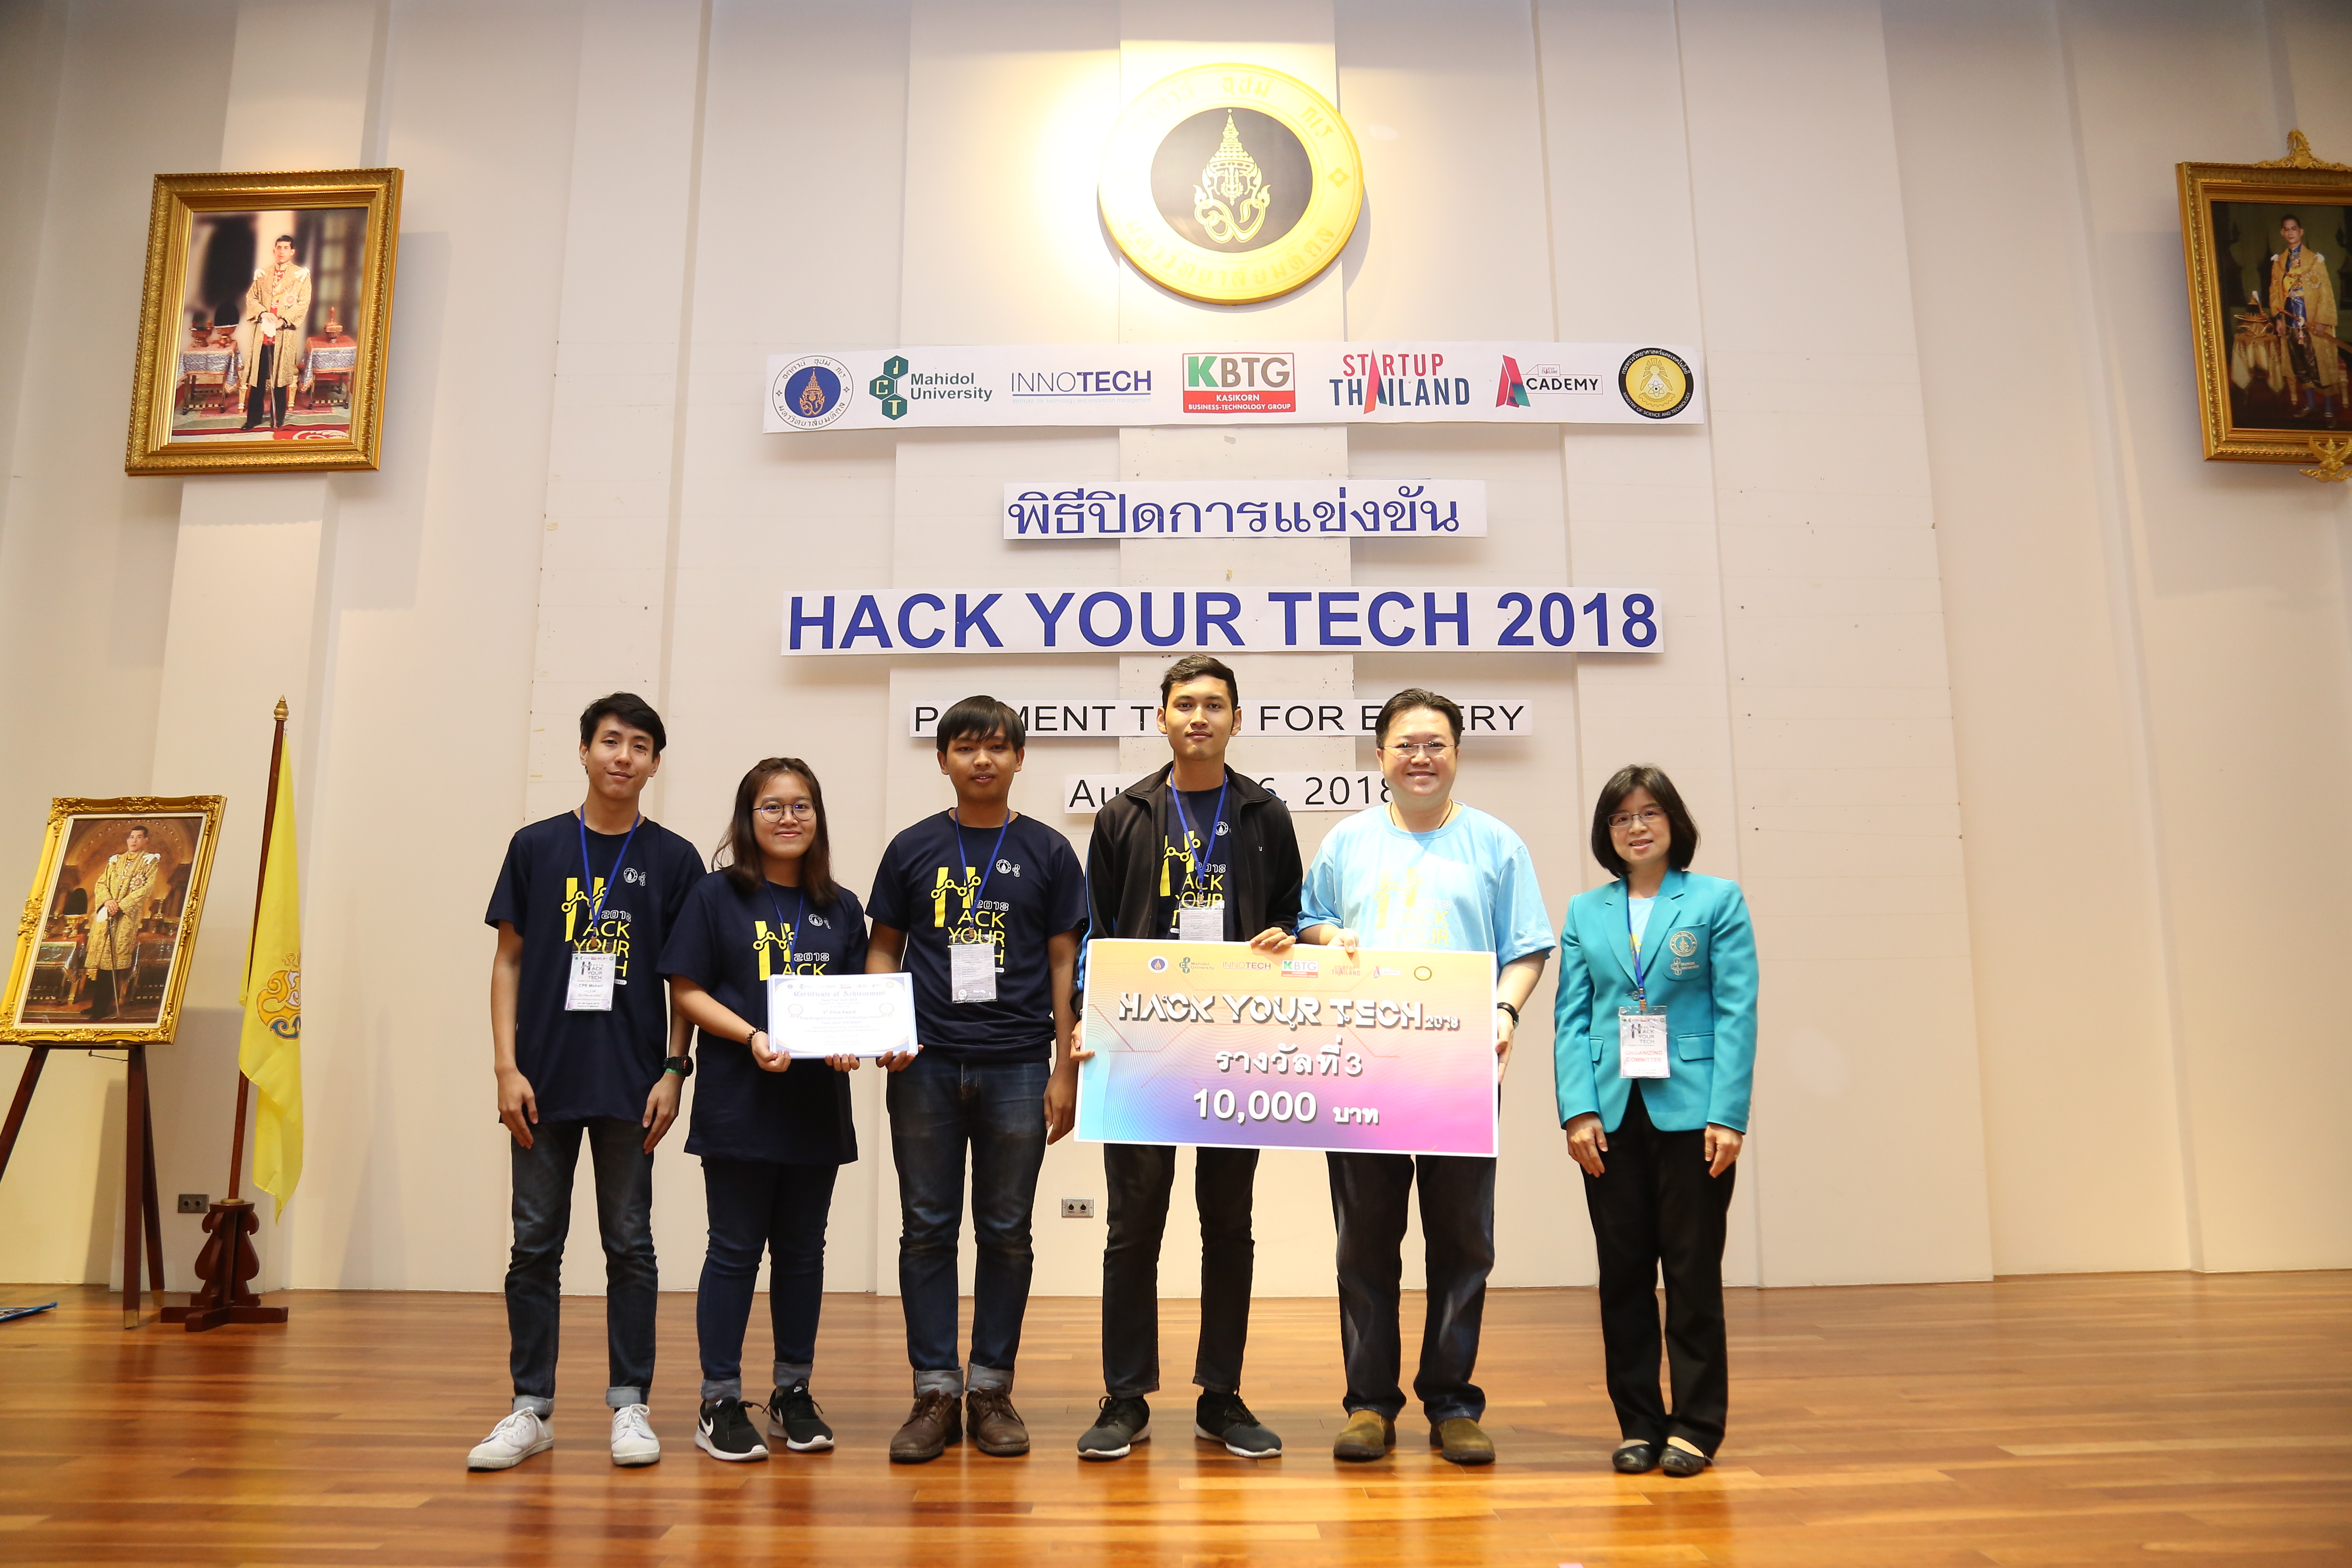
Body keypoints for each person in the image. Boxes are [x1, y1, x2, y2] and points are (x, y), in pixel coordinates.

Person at [1261, 688, 1553, 1467]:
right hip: (1362, 1071)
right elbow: (1308, 920)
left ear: (1456, 753)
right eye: (1405, 744)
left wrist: (1505, 1010)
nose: (1420, 757)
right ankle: (1368, 1404)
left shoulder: (1495, 844)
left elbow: (1528, 945)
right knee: (1364, 1241)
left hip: (1460, 1069)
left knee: (1463, 1240)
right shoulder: (1348, 840)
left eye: (1435, 744)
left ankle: (1453, 1402)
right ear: (1380, 755)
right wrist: (1330, 936)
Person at [1070, 654, 1301, 1462]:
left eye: (1214, 704)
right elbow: (1095, 933)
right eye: (1184, 704)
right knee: (1133, 1224)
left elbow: (1292, 916)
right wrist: (1085, 1014)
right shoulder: (1123, 815)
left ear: (1237, 718)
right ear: (1161, 716)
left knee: (1228, 1223)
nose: (1198, 717)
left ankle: (1221, 1394)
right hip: (1140, 1048)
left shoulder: (1266, 814)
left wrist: (1286, 938)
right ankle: (1125, 1395)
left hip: (1235, 1049)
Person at [467, 694, 706, 1472]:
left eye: (639, 745)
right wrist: (505, 1066)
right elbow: (507, 960)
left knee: (630, 1244)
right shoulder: (535, 846)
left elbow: (684, 981)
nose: (622, 756)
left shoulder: (674, 859)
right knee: (534, 1243)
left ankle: (630, 1404)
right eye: (610, 741)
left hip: (631, 1083)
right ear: (583, 750)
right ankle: (530, 1408)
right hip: (540, 1079)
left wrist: (674, 1070)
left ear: (655, 764)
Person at [866, 696, 1088, 1464]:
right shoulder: (912, 847)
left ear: (1020, 757)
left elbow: (1064, 961)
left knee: (1006, 1231)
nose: (982, 759)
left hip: (1019, 1063)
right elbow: (883, 948)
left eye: (996, 747)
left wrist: (1064, 1067)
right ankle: (935, 1391)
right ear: (943, 760)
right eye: (966, 747)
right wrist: (888, 1027)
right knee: (926, 1228)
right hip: (924, 1064)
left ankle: (991, 1389)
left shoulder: (1049, 850)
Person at [1553, 765, 1756, 1478]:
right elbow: (1571, 1017)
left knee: (1693, 1273)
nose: (1636, 827)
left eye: (1649, 813)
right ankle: (1638, 1422)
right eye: (1621, 817)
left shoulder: (1715, 899)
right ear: (1605, 832)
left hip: (1694, 1110)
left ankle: (1696, 1426)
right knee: (1623, 1276)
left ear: (1673, 821)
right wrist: (1577, 1110)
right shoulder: (1586, 910)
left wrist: (1728, 1113)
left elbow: (1737, 1009)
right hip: (1610, 1114)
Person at [660, 758, 866, 1463]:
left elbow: (854, 1002)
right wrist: (751, 1035)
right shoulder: (714, 895)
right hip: (739, 1101)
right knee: (734, 1250)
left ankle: (792, 1392)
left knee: (803, 1253)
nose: (787, 818)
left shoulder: (842, 906)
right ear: (748, 818)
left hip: (815, 1107)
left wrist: (849, 1044)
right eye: (771, 806)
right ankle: (719, 1399)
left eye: (801, 805)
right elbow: (686, 989)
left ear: (818, 818)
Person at [2266, 214, 2343, 419]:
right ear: (2282, 233)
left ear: (2301, 232)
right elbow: (2275, 293)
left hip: (2312, 323)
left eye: (2294, 229)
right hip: (2290, 322)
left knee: (2319, 364)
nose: (2290, 233)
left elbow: (2326, 293)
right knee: (2300, 365)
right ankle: (2310, 404)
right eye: (2286, 229)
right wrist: (2279, 319)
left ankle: (2328, 408)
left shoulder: (2316, 261)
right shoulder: (2279, 263)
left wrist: (2322, 321)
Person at [84, 825, 164, 1021]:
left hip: (125, 918)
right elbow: (101, 883)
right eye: (131, 837)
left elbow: (146, 889)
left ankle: (104, 1007)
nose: (134, 841)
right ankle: (96, 1005)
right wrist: (108, 902)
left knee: (112, 963)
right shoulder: (115, 861)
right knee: (100, 962)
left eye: (139, 837)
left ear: (146, 840)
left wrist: (121, 905)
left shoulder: (149, 861)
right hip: (107, 914)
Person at [238, 233, 310, 431]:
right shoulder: (263, 274)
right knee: (258, 378)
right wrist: (263, 313)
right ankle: (253, 419)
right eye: (279, 248)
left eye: (286, 248)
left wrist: (283, 321)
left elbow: (303, 303)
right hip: (263, 334)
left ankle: (278, 418)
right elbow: (251, 298)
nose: (282, 252)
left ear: (293, 252)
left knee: (280, 378)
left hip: (284, 334)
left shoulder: (301, 276)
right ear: (274, 251)